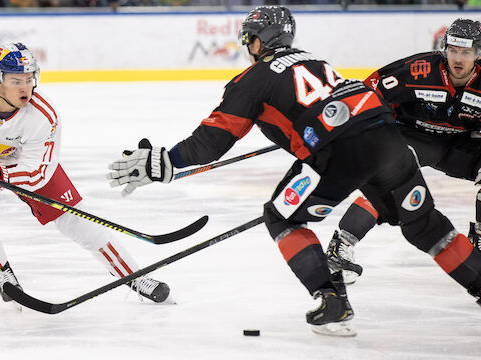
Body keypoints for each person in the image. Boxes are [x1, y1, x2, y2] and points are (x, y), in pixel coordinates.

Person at [107, 6, 481, 336]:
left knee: (280, 217)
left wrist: (164, 162)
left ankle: (331, 297)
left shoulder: (252, 80)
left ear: (259, 41)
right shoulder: (315, 61)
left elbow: (211, 142)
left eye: (249, 39)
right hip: (388, 138)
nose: (247, 46)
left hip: (339, 153)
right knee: (426, 226)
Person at [0, 42, 171, 306]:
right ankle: (2, 274)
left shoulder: (43, 116)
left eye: (29, 79)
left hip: (19, 165)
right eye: (16, 80)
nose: (25, 88)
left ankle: (135, 277)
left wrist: (0, 175)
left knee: (78, 222)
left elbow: (37, 171)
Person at [324, 18, 481, 285]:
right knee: (391, 178)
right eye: (453, 50)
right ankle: (342, 244)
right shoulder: (419, 70)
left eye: (465, 52)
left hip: (460, 145)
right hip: (412, 136)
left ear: (478, 54)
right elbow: (368, 90)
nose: (458, 58)